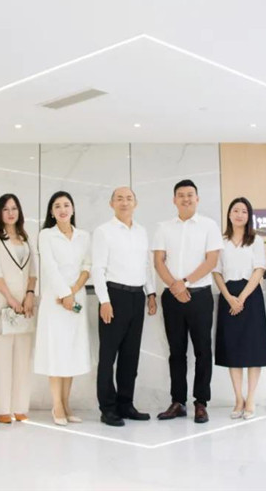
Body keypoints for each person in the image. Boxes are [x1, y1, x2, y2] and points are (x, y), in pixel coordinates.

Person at [153, 179, 223, 424]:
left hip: (200, 295)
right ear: (174, 200)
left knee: (203, 350)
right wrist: (175, 286)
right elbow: (158, 261)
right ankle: (178, 402)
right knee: (176, 351)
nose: (186, 199)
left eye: (190, 194)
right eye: (181, 195)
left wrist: (185, 282)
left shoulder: (209, 226)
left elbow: (211, 261)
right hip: (172, 296)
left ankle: (201, 403)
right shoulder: (163, 228)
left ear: (197, 198)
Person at [91, 187, 158, 427]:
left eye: (129, 198)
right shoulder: (103, 231)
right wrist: (104, 300)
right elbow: (97, 268)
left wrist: (151, 293)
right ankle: (107, 409)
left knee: (130, 356)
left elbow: (146, 266)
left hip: (137, 297)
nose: (124, 202)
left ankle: (126, 404)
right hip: (114, 296)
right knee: (108, 357)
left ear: (135, 203)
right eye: (119, 198)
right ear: (111, 204)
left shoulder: (141, 231)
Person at [33, 191, 92, 426]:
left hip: (76, 300)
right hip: (55, 301)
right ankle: (56, 404)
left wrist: (73, 291)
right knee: (56, 351)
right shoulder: (46, 235)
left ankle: (67, 404)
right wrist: (64, 294)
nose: (62, 209)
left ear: (73, 209)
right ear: (51, 212)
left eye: (66, 205)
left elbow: (87, 265)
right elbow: (49, 267)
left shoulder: (84, 236)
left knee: (71, 351)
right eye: (57, 206)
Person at [212, 197, 266, 420]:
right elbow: (216, 271)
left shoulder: (256, 240)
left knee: (253, 349)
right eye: (235, 210)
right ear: (229, 214)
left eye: (244, 211)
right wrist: (229, 298)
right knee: (233, 349)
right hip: (228, 295)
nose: (239, 215)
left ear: (249, 216)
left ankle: (251, 399)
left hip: (251, 295)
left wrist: (242, 298)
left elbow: (259, 269)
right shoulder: (221, 241)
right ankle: (238, 398)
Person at [0, 194, 38, 424]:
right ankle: (3, 408)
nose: (10, 213)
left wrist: (29, 295)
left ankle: (19, 406)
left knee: (23, 358)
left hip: (25, 306)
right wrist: (11, 299)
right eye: (5, 209)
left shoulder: (26, 237)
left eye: (14, 208)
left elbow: (33, 271)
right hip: (2, 304)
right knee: (2, 357)